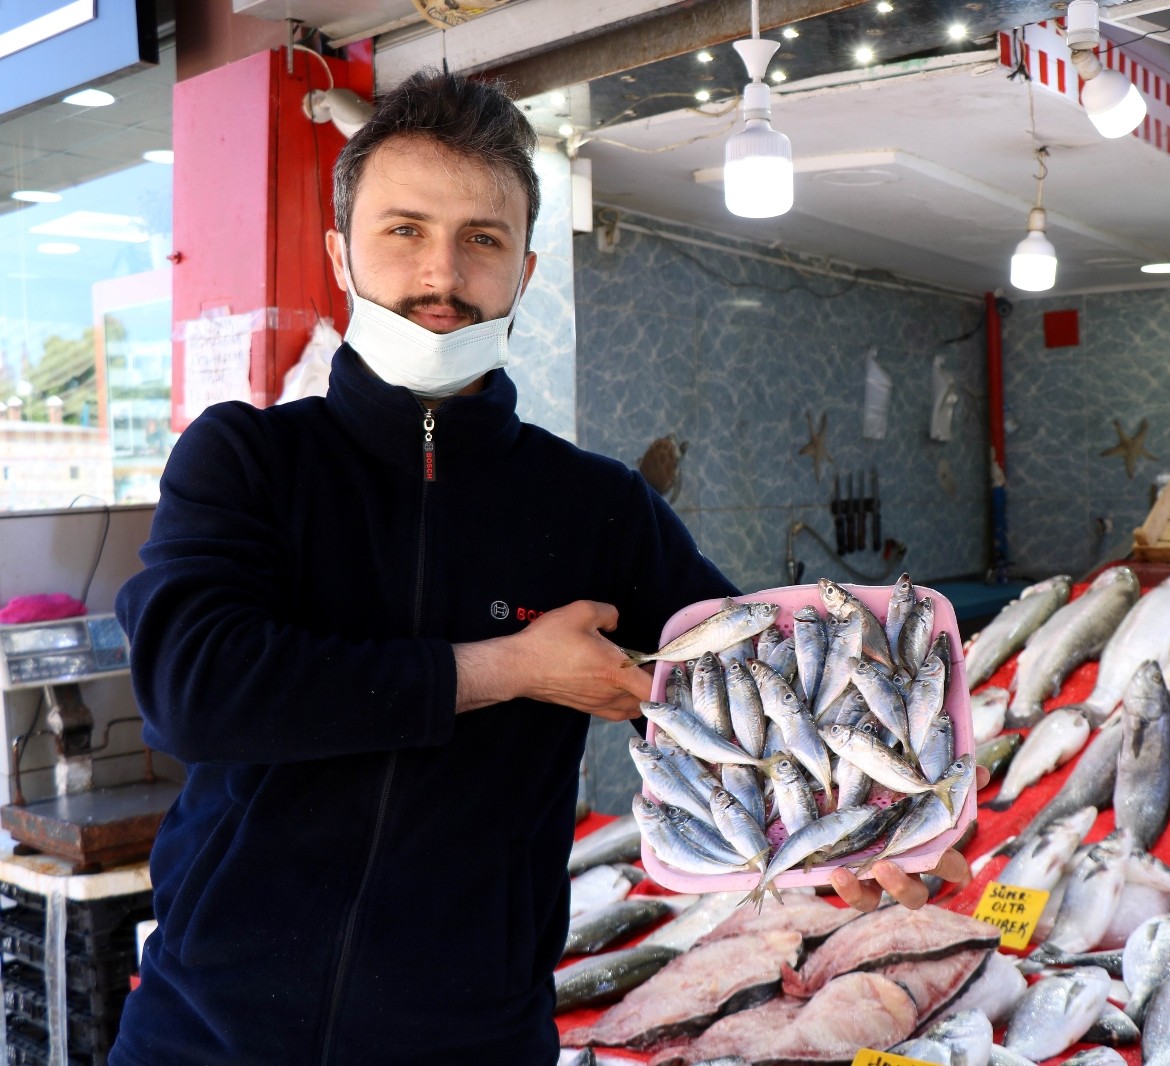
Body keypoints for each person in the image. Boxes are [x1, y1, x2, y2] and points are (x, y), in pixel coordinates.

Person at [112, 69, 968, 1066]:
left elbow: (756, 689)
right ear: (341, 253)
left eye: (482, 239)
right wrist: (513, 667)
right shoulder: (246, 459)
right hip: (206, 1034)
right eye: (405, 230)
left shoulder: (596, 507)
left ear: (521, 270)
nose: (442, 272)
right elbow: (192, 688)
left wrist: (875, 827)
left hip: (472, 1040)